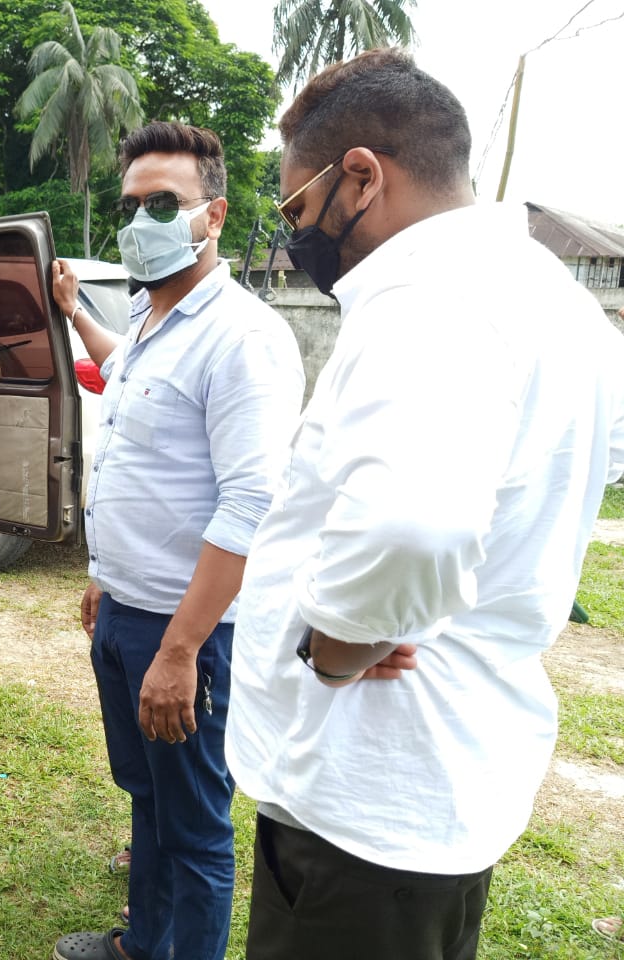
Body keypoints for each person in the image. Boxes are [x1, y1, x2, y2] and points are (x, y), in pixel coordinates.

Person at [225, 48, 624, 960]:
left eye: (297, 208)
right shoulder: (559, 305)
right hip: (448, 775)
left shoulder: (425, 298)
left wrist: (336, 642)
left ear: (360, 177)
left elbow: (417, 525)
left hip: (368, 787)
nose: (298, 236)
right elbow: (587, 464)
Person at [50, 121, 305, 960]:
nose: (142, 220)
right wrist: (103, 578)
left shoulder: (242, 336)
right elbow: (125, 423)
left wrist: (180, 649)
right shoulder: (152, 324)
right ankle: (142, 946)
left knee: (195, 826)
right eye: (131, 204)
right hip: (127, 615)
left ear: (215, 215)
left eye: (165, 202)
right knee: (148, 800)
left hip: (191, 636)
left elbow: (250, 502)